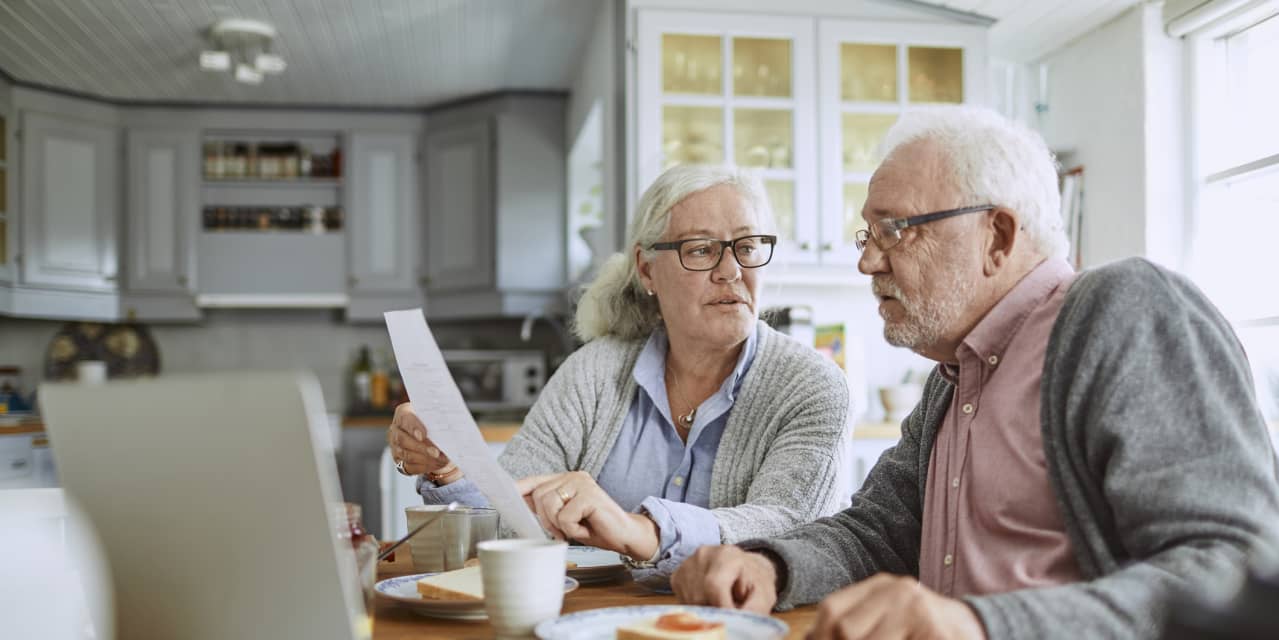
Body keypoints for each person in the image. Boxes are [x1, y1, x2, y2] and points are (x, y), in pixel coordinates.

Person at [671, 106, 1279, 638]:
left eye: (895, 231)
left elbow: (1229, 571)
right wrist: (770, 566)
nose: (866, 260)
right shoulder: (954, 376)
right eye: (868, 232)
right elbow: (878, 534)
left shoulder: (1127, 312)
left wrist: (980, 627)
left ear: (998, 236)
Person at [387, 164, 852, 581]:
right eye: (702, 249)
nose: (731, 270)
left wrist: (640, 530)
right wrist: (448, 470)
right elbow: (511, 519)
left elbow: (793, 528)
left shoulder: (813, 386)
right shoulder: (593, 373)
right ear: (647, 270)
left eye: (747, 247)